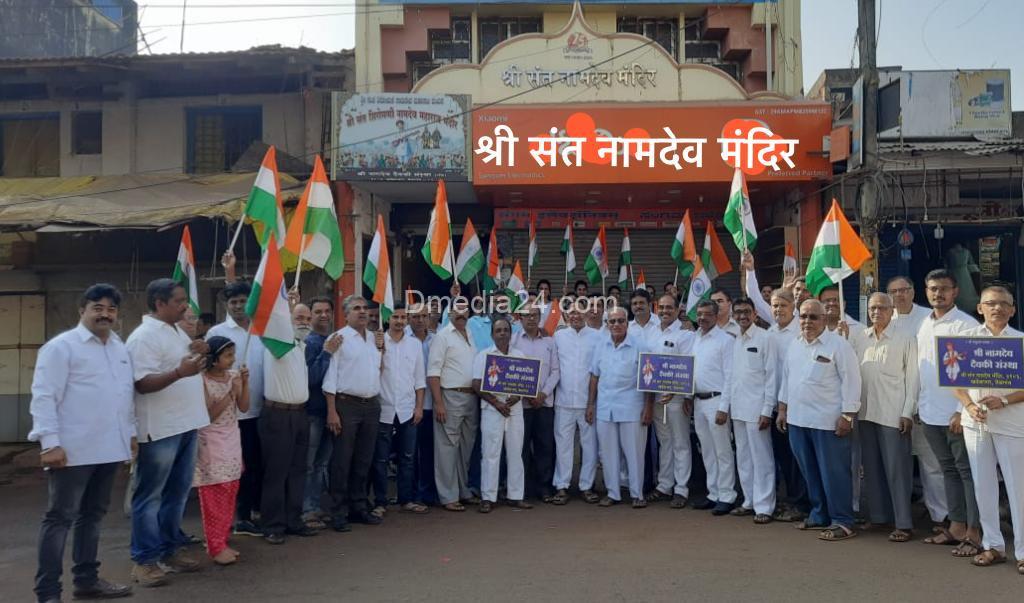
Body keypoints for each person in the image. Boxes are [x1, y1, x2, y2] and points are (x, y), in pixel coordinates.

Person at [29, 284, 135, 602]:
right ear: (82, 310)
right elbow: (45, 396)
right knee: (59, 518)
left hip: (109, 449)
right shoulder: (62, 347)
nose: (105, 314)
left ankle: (86, 581)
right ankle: (48, 592)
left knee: (93, 516)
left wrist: (129, 434)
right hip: (72, 451)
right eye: (97, 307)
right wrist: (49, 442)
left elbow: (124, 396)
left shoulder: (119, 348)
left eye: (111, 309)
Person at [127, 278, 210, 586]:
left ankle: (169, 550)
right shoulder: (143, 337)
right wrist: (179, 372)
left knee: (176, 494)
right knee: (150, 496)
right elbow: (140, 383)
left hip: (186, 424)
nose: (185, 306)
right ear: (159, 303)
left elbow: (187, 364)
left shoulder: (176, 331)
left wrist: (198, 350)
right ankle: (144, 561)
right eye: (178, 301)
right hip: (160, 429)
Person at [777, 299, 862, 542]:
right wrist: (783, 409)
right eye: (803, 316)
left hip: (828, 422)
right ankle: (820, 514)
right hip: (798, 420)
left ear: (824, 320)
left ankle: (843, 520)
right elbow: (787, 379)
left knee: (834, 473)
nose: (807, 322)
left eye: (813, 317)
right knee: (809, 472)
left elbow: (852, 381)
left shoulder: (839, 345)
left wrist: (848, 415)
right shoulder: (795, 344)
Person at [955, 286, 1024, 573]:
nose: (997, 308)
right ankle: (993, 546)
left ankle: (1022, 551)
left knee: (1017, 489)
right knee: (983, 487)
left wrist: (1004, 400)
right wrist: (969, 407)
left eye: (1003, 304)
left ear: (1012, 309)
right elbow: (955, 381)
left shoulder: (1020, 341)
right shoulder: (965, 340)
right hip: (976, 424)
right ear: (980, 308)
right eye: (990, 303)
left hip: (1011, 423)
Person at [916, 269, 981, 556]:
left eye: (943, 288)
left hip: (956, 414)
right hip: (929, 411)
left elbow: (971, 373)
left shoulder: (966, 325)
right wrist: (918, 405)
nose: (937, 293)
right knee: (948, 471)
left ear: (955, 291)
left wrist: (960, 410)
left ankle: (975, 531)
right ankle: (956, 527)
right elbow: (923, 368)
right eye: (932, 288)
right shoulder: (924, 324)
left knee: (968, 472)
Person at [886, 275, 947, 529]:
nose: (899, 295)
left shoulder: (927, 319)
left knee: (931, 463)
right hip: (891, 405)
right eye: (894, 291)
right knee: (895, 462)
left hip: (923, 404)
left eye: (904, 290)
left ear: (913, 292)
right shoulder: (884, 319)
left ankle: (941, 515)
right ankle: (897, 514)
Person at [205, 282, 266, 537]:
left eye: (243, 301)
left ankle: (253, 510)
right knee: (236, 467)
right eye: (234, 302)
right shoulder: (217, 333)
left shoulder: (261, 330)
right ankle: (239, 517)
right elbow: (209, 371)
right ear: (226, 305)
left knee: (257, 464)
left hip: (261, 408)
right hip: (231, 414)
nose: (239, 306)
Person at [856, 293, 918, 543]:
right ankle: (879, 517)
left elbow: (913, 377)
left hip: (893, 412)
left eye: (882, 307)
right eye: (872, 308)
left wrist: (908, 411)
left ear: (892, 310)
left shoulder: (905, 338)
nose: (876, 312)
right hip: (866, 411)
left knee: (897, 469)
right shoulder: (860, 337)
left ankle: (904, 522)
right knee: (871, 468)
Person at [325, 296, 384, 531]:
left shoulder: (373, 339)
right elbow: (330, 377)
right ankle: (338, 512)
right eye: (356, 309)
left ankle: (358, 507)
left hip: (370, 405)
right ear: (346, 314)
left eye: (365, 309)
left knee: (363, 460)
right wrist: (332, 411)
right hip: (346, 405)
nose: (362, 312)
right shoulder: (338, 338)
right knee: (342, 460)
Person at [259, 304, 316, 544]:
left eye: (307, 318)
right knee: (277, 472)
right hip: (278, 415)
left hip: (300, 415)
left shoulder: (301, 346)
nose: (304, 322)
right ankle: (272, 525)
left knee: (297, 471)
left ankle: (294, 520)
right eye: (298, 317)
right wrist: (284, 306)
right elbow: (272, 323)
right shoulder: (276, 344)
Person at [588, 306, 654, 508]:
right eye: (612, 321)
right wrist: (590, 404)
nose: (616, 325)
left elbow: (649, 379)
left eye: (620, 321)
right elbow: (594, 376)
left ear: (627, 322)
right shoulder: (601, 345)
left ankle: (637, 494)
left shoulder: (641, 346)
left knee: (634, 454)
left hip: (632, 408)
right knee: (608, 454)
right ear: (607, 324)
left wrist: (649, 407)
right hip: (605, 408)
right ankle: (613, 493)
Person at [194, 336, 249, 564]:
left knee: (230, 488)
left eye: (233, 355)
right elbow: (208, 415)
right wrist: (229, 393)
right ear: (214, 360)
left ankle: (222, 539)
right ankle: (215, 546)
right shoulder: (202, 380)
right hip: (211, 439)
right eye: (227, 356)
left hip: (231, 438)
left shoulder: (234, 376)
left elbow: (244, 407)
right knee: (214, 493)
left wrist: (243, 385)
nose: (232, 359)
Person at [373, 304, 429, 517]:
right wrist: (378, 351)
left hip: (407, 408)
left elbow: (419, 380)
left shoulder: (414, 345)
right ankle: (380, 502)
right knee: (381, 459)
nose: (399, 321)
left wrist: (419, 407)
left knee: (408, 457)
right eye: (395, 316)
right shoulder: (377, 341)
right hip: (383, 408)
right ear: (388, 318)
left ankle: (406, 499)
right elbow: (373, 373)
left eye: (403, 317)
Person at [725, 297, 778, 524]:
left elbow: (771, 376)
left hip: (758, 410)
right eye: (737, 312)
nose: (742, 316)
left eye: (746, 311)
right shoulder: (734, 339)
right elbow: (730, 378)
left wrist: (768, 410)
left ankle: (765, 506)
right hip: (738, 409)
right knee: (744, 459)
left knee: (762, 459)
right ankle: (749, 501)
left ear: (755, 314)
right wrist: (725, 407)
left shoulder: (765, 338)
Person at [473, 317, 532, 513]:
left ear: (510, 333)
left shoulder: (520, 355)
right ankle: (488, 497)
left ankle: (515, 496)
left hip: (514, 410)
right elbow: (476, 384)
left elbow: (526, 383)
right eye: (498, 330)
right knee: (490, 454)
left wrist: (516, 397)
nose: (502, 333)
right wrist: (496, 403)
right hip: (492, 410)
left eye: (506, 330)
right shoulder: (484, 355)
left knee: (516, 453)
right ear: (492, 334)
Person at [427, 299, 479, 512]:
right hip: (450, 396)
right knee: (447, 448)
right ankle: (448, 496)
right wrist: (439, 402)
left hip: (471, 397)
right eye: (457, 309)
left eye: (464, 309)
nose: (461, 313)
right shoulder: (442, 336)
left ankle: (462, 490)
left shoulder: (470, 334)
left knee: (465, 448)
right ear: (449, 313)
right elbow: (433, 372)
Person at [646, 294, 696, 509]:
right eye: (662, 307)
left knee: (681, 443)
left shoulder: (685, 335)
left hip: (675, 399)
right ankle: (664, 485)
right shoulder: (652, 331)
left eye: (669, 308)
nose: (664, 311)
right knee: (665, 442)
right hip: (656, 398)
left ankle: (681, 489)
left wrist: (681, 395)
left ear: (677, 310)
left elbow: (687, 367)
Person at [552, 298, 602, 504]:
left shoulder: (597, 337)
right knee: (563, 446)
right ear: (566, 315)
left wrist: (592, 403)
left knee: (589, 446)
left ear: (586, 314)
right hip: (563, 401)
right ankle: (562, 486)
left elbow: (597, 372)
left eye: (579, 313)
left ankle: (586, 486)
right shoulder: (558, 336)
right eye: (571, 313)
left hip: (587, 402)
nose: (575, 316)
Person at [690, 299, 736, 515]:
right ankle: (714, 493)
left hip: (717, 402)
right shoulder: (695, 338)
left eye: (707, 314)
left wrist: (724, 407)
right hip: (698, 402)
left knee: (723, 451)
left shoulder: (726, 340)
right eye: (699, 314)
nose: (702, 318)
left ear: (716, 316)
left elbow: (730, 376)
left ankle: (727, 496)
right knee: (707, 451)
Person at [512, 305, 560, 503]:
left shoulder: (550, 342)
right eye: (527, 315)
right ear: (520, 318)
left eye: (534, 315)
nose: (531, 318)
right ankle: (523, 488)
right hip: (521, 404)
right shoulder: (513, 341)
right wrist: (524, 394)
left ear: (540, 317)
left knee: (545, 446)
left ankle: (544, 487)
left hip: (544, 403)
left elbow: (556, 371)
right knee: (520, 448)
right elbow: (511, 369)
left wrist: (543, 393)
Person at [301, 297, 341, 530]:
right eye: (318, 312)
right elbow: (311, 378)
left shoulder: (336, 339)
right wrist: (326, 353)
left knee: (322, 464)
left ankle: (315, 506)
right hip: (313, 412)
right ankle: (307, 509)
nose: (323, 315)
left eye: (327, 311)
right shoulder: (308, 342)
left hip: (331, 412)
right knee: (308, 464)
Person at [408, 303, 439, 505]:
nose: (420, 320)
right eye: (416, 317)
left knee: (428, 453)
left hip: (432, 404)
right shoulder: (402, 340)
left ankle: (427, 493)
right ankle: (409, 494)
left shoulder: (437, 340)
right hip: (408, 405)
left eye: (424, 316)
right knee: (409, 454)